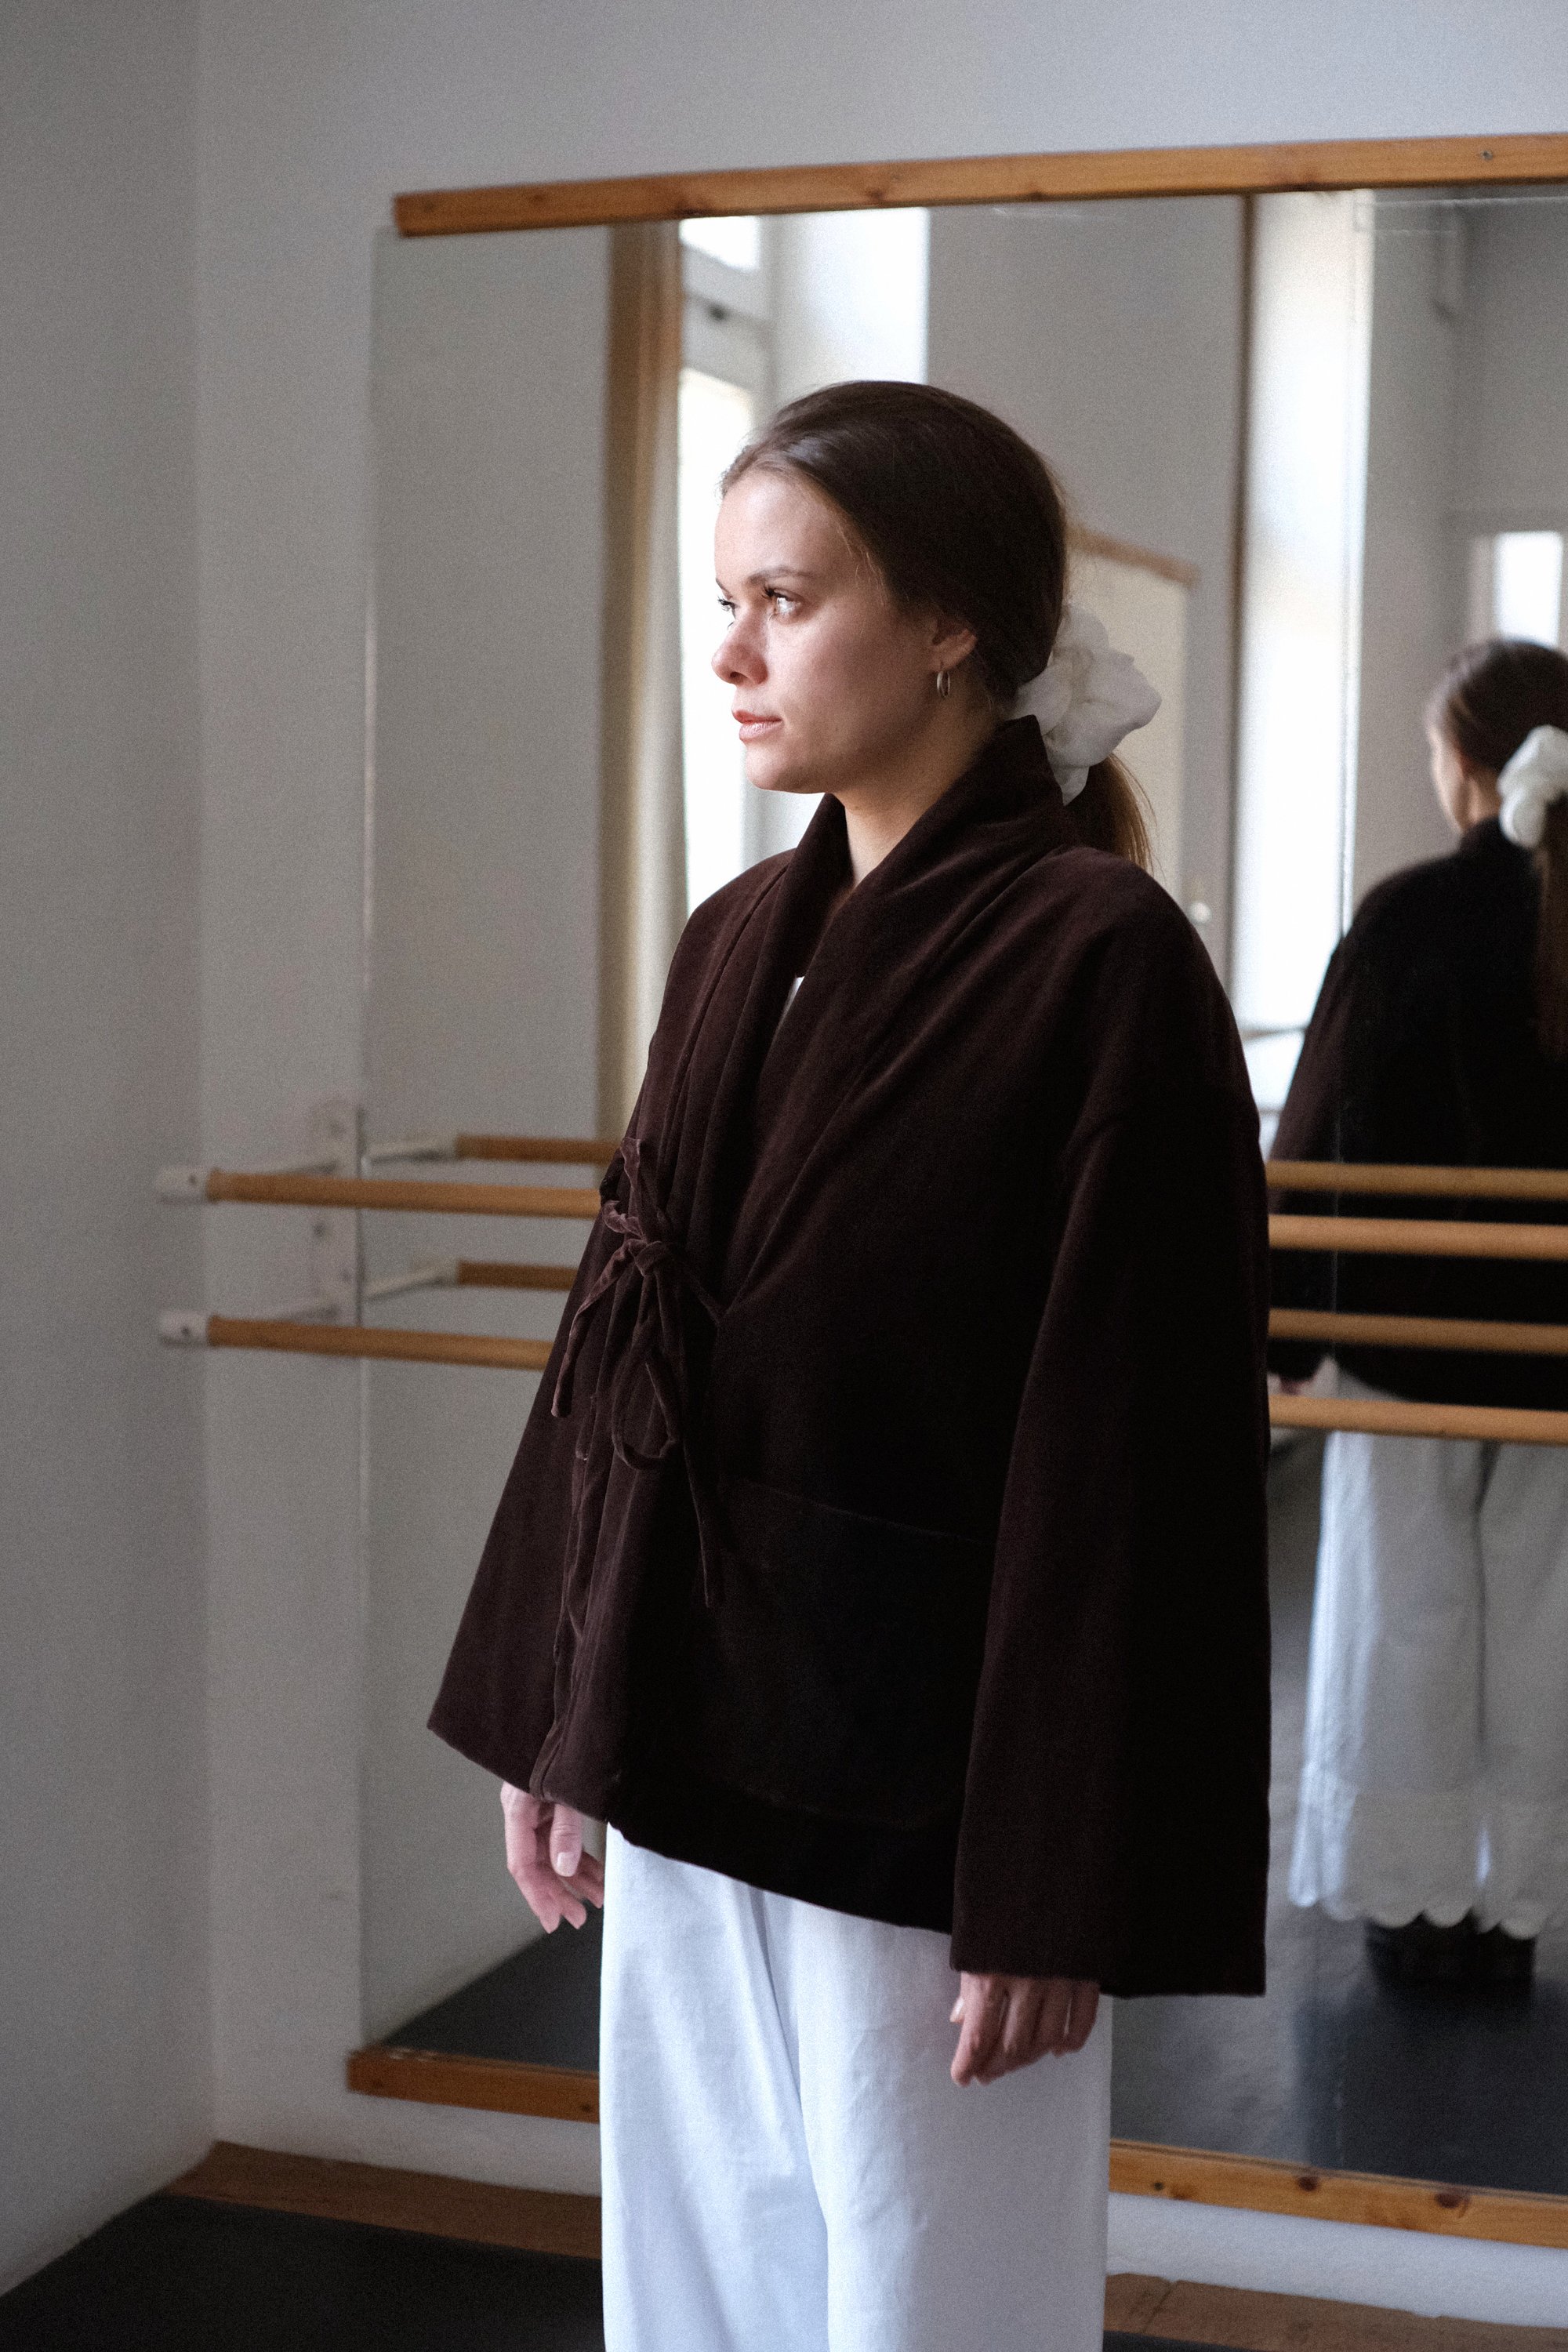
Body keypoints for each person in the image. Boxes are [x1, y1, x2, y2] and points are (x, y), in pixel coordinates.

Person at [430, 381, 1272, 2352]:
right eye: (725, 600)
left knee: (925, 2299)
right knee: (696, 2290)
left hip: (924, 1798)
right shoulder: (736, 935)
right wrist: (562, 1702)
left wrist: (1054, 1875)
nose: (731, 652)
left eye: (785, 602)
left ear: (952, 621)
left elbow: (1127, 1457)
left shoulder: (1101, 960)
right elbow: (619, 1328)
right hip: (691, 1736)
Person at [1272, 637, 1568, 1989]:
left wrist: (1279, 1334)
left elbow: (1319, 1136)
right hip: (1558, 1360)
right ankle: (1525, 1903)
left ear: (1465, 766)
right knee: (1548, 1623)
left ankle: (1416, 1904)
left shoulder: (1409, 919)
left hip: (1410, 1350)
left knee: (1403, 1617)